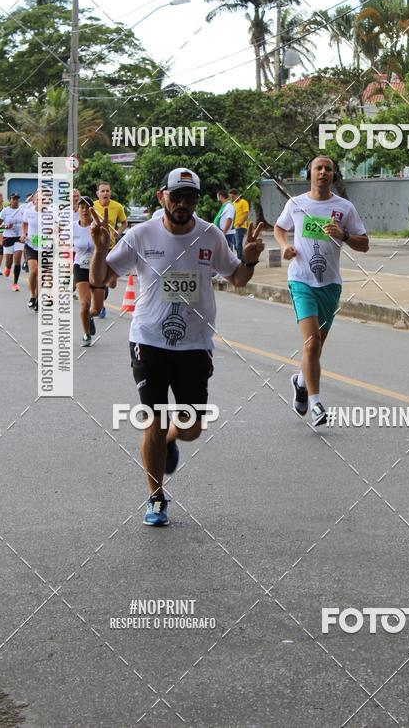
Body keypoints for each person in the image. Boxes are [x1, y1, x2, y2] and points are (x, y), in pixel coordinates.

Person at [89, 167, 264, 527]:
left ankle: (171, 437)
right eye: (177, 196)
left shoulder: (210, 236)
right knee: (153, 419)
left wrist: (249, 257)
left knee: (192, 427)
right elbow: (100, 279)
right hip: (149, 341)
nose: (183, 203)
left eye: (190, 197)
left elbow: (239, 278)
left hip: (195, 345)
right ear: (162, 197)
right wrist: (99, 249)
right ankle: (155, 497)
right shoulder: (141, 235)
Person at [274, 156, 369, 427]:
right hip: (301, 280)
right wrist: (283, 247)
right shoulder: (296, 204)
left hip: (330, 284)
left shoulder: (344, 207)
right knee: (311, 343)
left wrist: (344, 236)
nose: (324, 172)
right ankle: (316, 404)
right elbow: (280, 228)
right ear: (310, 173)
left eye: (328, 169)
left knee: (317, 346)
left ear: (333, 174)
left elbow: (365, 244)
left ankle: (301, 381)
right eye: (319, 168)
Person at [73, 196, 106, 346]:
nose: (85, 210)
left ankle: (89, 317)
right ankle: (86, 334)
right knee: (85, 303)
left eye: (87, 207)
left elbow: (105, 247)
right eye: (82, 207)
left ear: (92, 210)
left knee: (96, 310)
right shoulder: (72, 227)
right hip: (80, 267)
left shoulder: (97, 226)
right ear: (77, 209)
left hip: (97, 268)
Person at [92, 181, 127, 318]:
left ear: (110, 192)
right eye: (102, 191)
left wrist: (118, 231)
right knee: (98, 278)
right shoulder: (92, 206)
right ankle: (101, 306)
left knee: (110, 282)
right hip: (96, 247)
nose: (105, 193)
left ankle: (102, 294)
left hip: (111, 246)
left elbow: (124, 223)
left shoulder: (117, 206)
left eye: (107, 191)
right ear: (97, 193)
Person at [0, 193, 25, 291]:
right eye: (14, 199)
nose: (16, 201)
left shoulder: (22, 211)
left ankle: (15, 283)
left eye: (17, 199)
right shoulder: (5, 211)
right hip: (8, 237)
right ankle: (7, 268)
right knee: (9, 261)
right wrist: (6, 227)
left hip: (19, 237)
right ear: (10, 200)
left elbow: (26, 223)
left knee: (18, 258)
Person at [20, 191, 41, 311]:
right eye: (39, 199)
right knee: (33, 271)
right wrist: (23, 234)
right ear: (34, 201)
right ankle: (32, 295)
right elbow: (24, 224)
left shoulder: (51, 213)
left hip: (45, 247)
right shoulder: (29, 211)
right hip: (31, 245)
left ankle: (38, 297)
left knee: (41, 275)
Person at [229, 188, 250, 259]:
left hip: (240, 227)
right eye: (231, 197)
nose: (232, 198)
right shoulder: (233, 204)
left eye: (233, 197)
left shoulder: (243, 202)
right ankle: (241, 258)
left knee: (238, 245)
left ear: (237, 195)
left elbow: (246, 214)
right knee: (235, 245)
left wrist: (240, 224)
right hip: (233, 227)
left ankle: (241, 261)